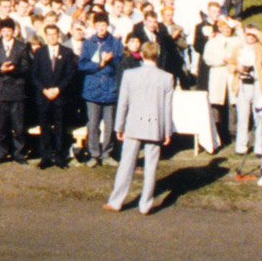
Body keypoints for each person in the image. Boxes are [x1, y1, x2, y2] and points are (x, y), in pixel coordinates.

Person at [103, 42, 174, 215]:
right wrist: (167, 131)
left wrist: (119, 126)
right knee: (151, 165)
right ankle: (145, 204)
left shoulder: (130, 75)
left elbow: (123, 102)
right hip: (153, 123)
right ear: (157, 55)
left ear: (142, 54)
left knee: (126, 163)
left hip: (135, 121)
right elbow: (167, 107)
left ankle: (116, 201)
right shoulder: (166, 77)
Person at [78, 13, 121, 166]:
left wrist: (111, 60)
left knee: (109, 124)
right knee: (93, 123)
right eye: (99, 26)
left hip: (110, 88)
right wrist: (99, 64)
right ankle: (94, 154)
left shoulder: (115, 42)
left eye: (104, 25)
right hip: (93, 88)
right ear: (94, 26)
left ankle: (107, 153)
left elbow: (120, 63)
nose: (102, 29)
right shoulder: (89, 43)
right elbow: (81, 65)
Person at [31, 24, 77, 168]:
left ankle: (59, 157)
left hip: (60, 96)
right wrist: (44, 90)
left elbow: (70, 74)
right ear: (45, 36)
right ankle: (45, 157)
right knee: (44, 127)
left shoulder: (67, 52)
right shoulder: (40, 52)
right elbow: (34, 75)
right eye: (49, 34)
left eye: (54, 34)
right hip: (43, 96)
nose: (52, 37)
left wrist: (58, 89)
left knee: (60, 126)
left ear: (59, 35)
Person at [0, 18, 31, 164]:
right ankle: (2, 153)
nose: (6, 34)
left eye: (9, 31)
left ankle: (18, 153)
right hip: (0, 90)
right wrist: (1, 69)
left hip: (16, 89)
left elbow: (26, 67)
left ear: (14, 32)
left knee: (18, 125)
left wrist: (14, 70)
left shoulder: (21, 46)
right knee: (0, 125)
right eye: (3, 31)